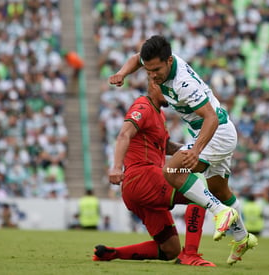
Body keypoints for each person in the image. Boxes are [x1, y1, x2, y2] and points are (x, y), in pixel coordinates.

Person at [109, 35, 258, 265]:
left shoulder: (183, 84)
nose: (152, 76)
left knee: (171, 171)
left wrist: (196, 150)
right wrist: (122, 73)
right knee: (218, 188)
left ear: (169, 61)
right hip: (214, 132)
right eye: (148, 71)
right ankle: (241, 238)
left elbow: (210, 118)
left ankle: (220, 211)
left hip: (216, 133)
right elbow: (135, 59)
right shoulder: (158, 66)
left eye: (156, 69)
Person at [93, 80, 236, 266]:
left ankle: (110, 254)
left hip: (136, 189)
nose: (171, 92)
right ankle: (190, 254)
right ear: (153, 85)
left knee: (169, 249)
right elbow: (124, 134)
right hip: (143, 177)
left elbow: (166, 147)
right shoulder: (143, 106)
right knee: (198, 189)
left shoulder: (158, 113)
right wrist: (115, 167)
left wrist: (197, 152)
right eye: (166, 88)